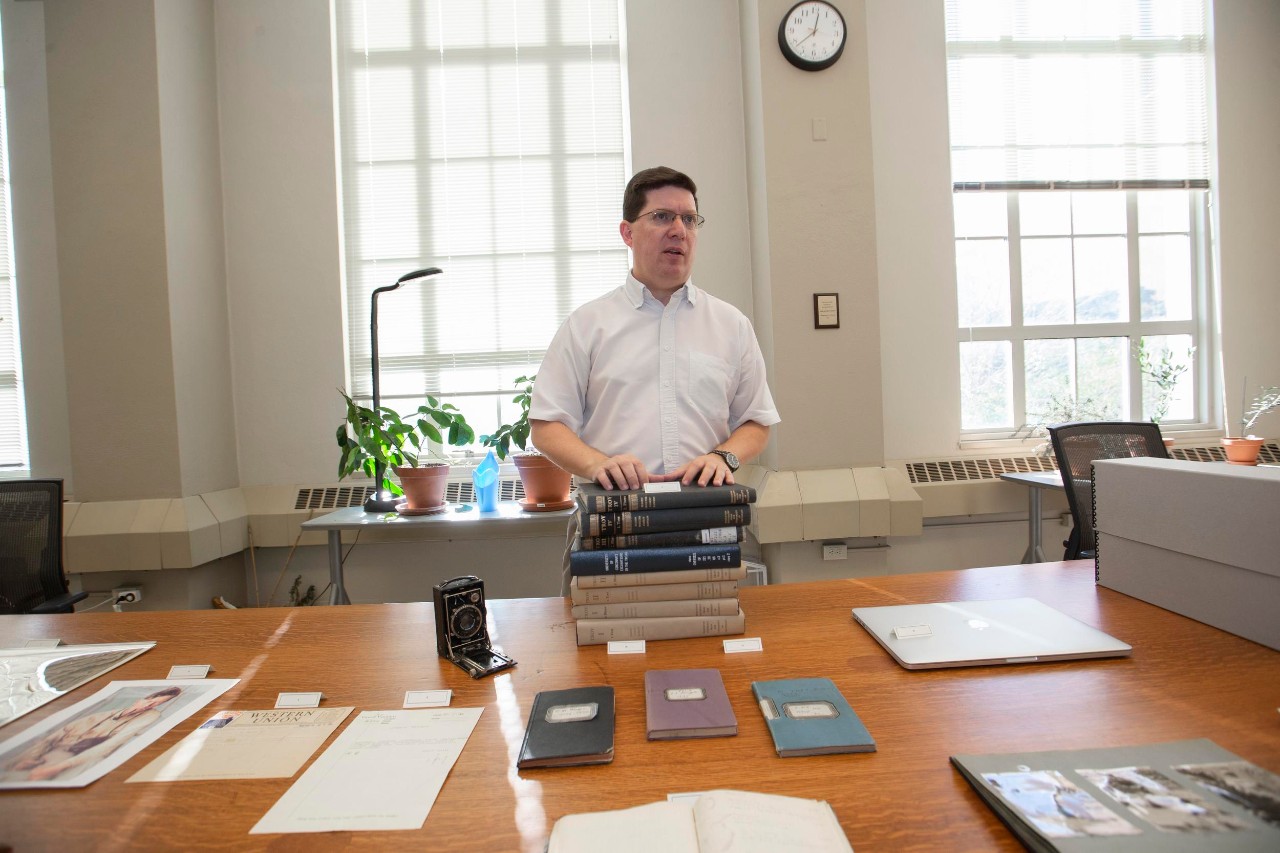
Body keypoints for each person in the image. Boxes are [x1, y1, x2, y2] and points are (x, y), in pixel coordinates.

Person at [530, 167, 780, 588]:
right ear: (627, 233)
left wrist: (724, 458)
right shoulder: (588, 325)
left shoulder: (730, 325)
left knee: (714, 644)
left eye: (689, 219)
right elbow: (546, 425)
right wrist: (600, 464)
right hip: (610, 523)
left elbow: (756, 421)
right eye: (662, 217)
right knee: (600, 653)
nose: (678, 230)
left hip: (706, 523)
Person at [2, 686, 183, 782]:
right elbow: (56, 735)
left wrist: (58, 767)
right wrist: (32, 757)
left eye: (157, 704)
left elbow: (109, 746)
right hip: (45, 756)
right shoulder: (104, 714)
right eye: (152, 701)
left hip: (74, 760)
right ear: (143, 699)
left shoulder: (150, 715)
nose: (151, 706)